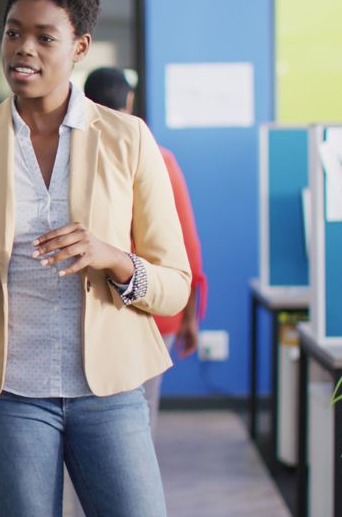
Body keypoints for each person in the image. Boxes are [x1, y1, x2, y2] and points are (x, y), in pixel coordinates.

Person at [0, 0, 191, 516]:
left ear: (79, 46)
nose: (24, 49)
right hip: (8, 396)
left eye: (45, 37)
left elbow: (175, 285)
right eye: (13, 32)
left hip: (110, 394)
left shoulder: (129, 140)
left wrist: (114, 258)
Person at [84, 66, 208, 431]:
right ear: (129, 102)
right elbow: (184, 241)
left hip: (97, 309)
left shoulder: (71, 157)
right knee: (138, 418)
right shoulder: (157, 155)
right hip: (155, 307)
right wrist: (190, 315)